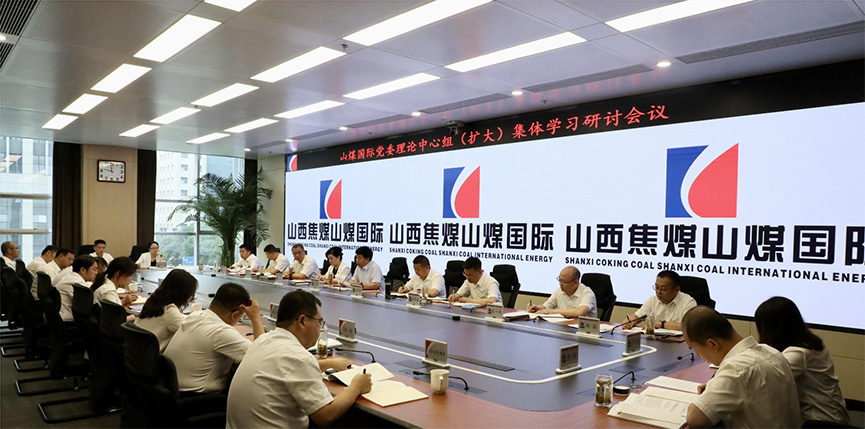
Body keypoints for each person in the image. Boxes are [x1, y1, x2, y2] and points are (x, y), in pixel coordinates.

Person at [226, 290, 372, 428]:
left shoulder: (264, 340)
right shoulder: (299, 358)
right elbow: (326, 415)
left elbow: (286, 369)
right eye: (319, 322)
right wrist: (356, 386)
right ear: (302, 321)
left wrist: (329, 363)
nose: (320, 327)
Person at [682, 306, 800, 428]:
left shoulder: (736, 369)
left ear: (712, 344)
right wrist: (718, 384)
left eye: (696, 350)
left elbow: (695, 419)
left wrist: (722, 384)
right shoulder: (771, 351)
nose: (698, 355)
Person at [755, 297, 850, 425]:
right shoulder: (810, 343)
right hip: (830, 416)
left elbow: (762, 380)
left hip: (820, 422)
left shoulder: (798, 354)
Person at [163, 282, 264, 396]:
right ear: (234, 315)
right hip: (198, 398)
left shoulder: (195, 316)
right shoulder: (221, 332)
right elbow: (260, 357)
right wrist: (256, 318)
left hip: (170, 392)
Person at [135, 269, 199, 352]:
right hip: (149, 356)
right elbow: (191, 332)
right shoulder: (169, 310)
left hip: (136, 352)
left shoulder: (153, 301)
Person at [622, 270, 696, 330]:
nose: (658, 292)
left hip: (679, 342)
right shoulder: (653, 300)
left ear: (676, 289)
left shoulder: (688, 302)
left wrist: (661, 324)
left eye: (663, 289)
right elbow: (636, 317)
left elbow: (688, 326)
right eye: (656, 287)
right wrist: (629, 322)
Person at [527, 266, 596, 318]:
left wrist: (551, 312)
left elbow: (580, 312)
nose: (560, 284)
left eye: (563, 282)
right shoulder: (559, 290)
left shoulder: (587, 293)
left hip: (584, 330)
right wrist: (536, 308)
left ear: (575, 282)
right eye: (559, 280)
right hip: (564, 326)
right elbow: (546, 307)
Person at [54, 255, 99, 322]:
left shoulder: (71, 277)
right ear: (83, 270)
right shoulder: (76, 283)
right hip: (66, 321)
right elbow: (88, 305)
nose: (96, 273)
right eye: (94, 270)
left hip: (59, 317)